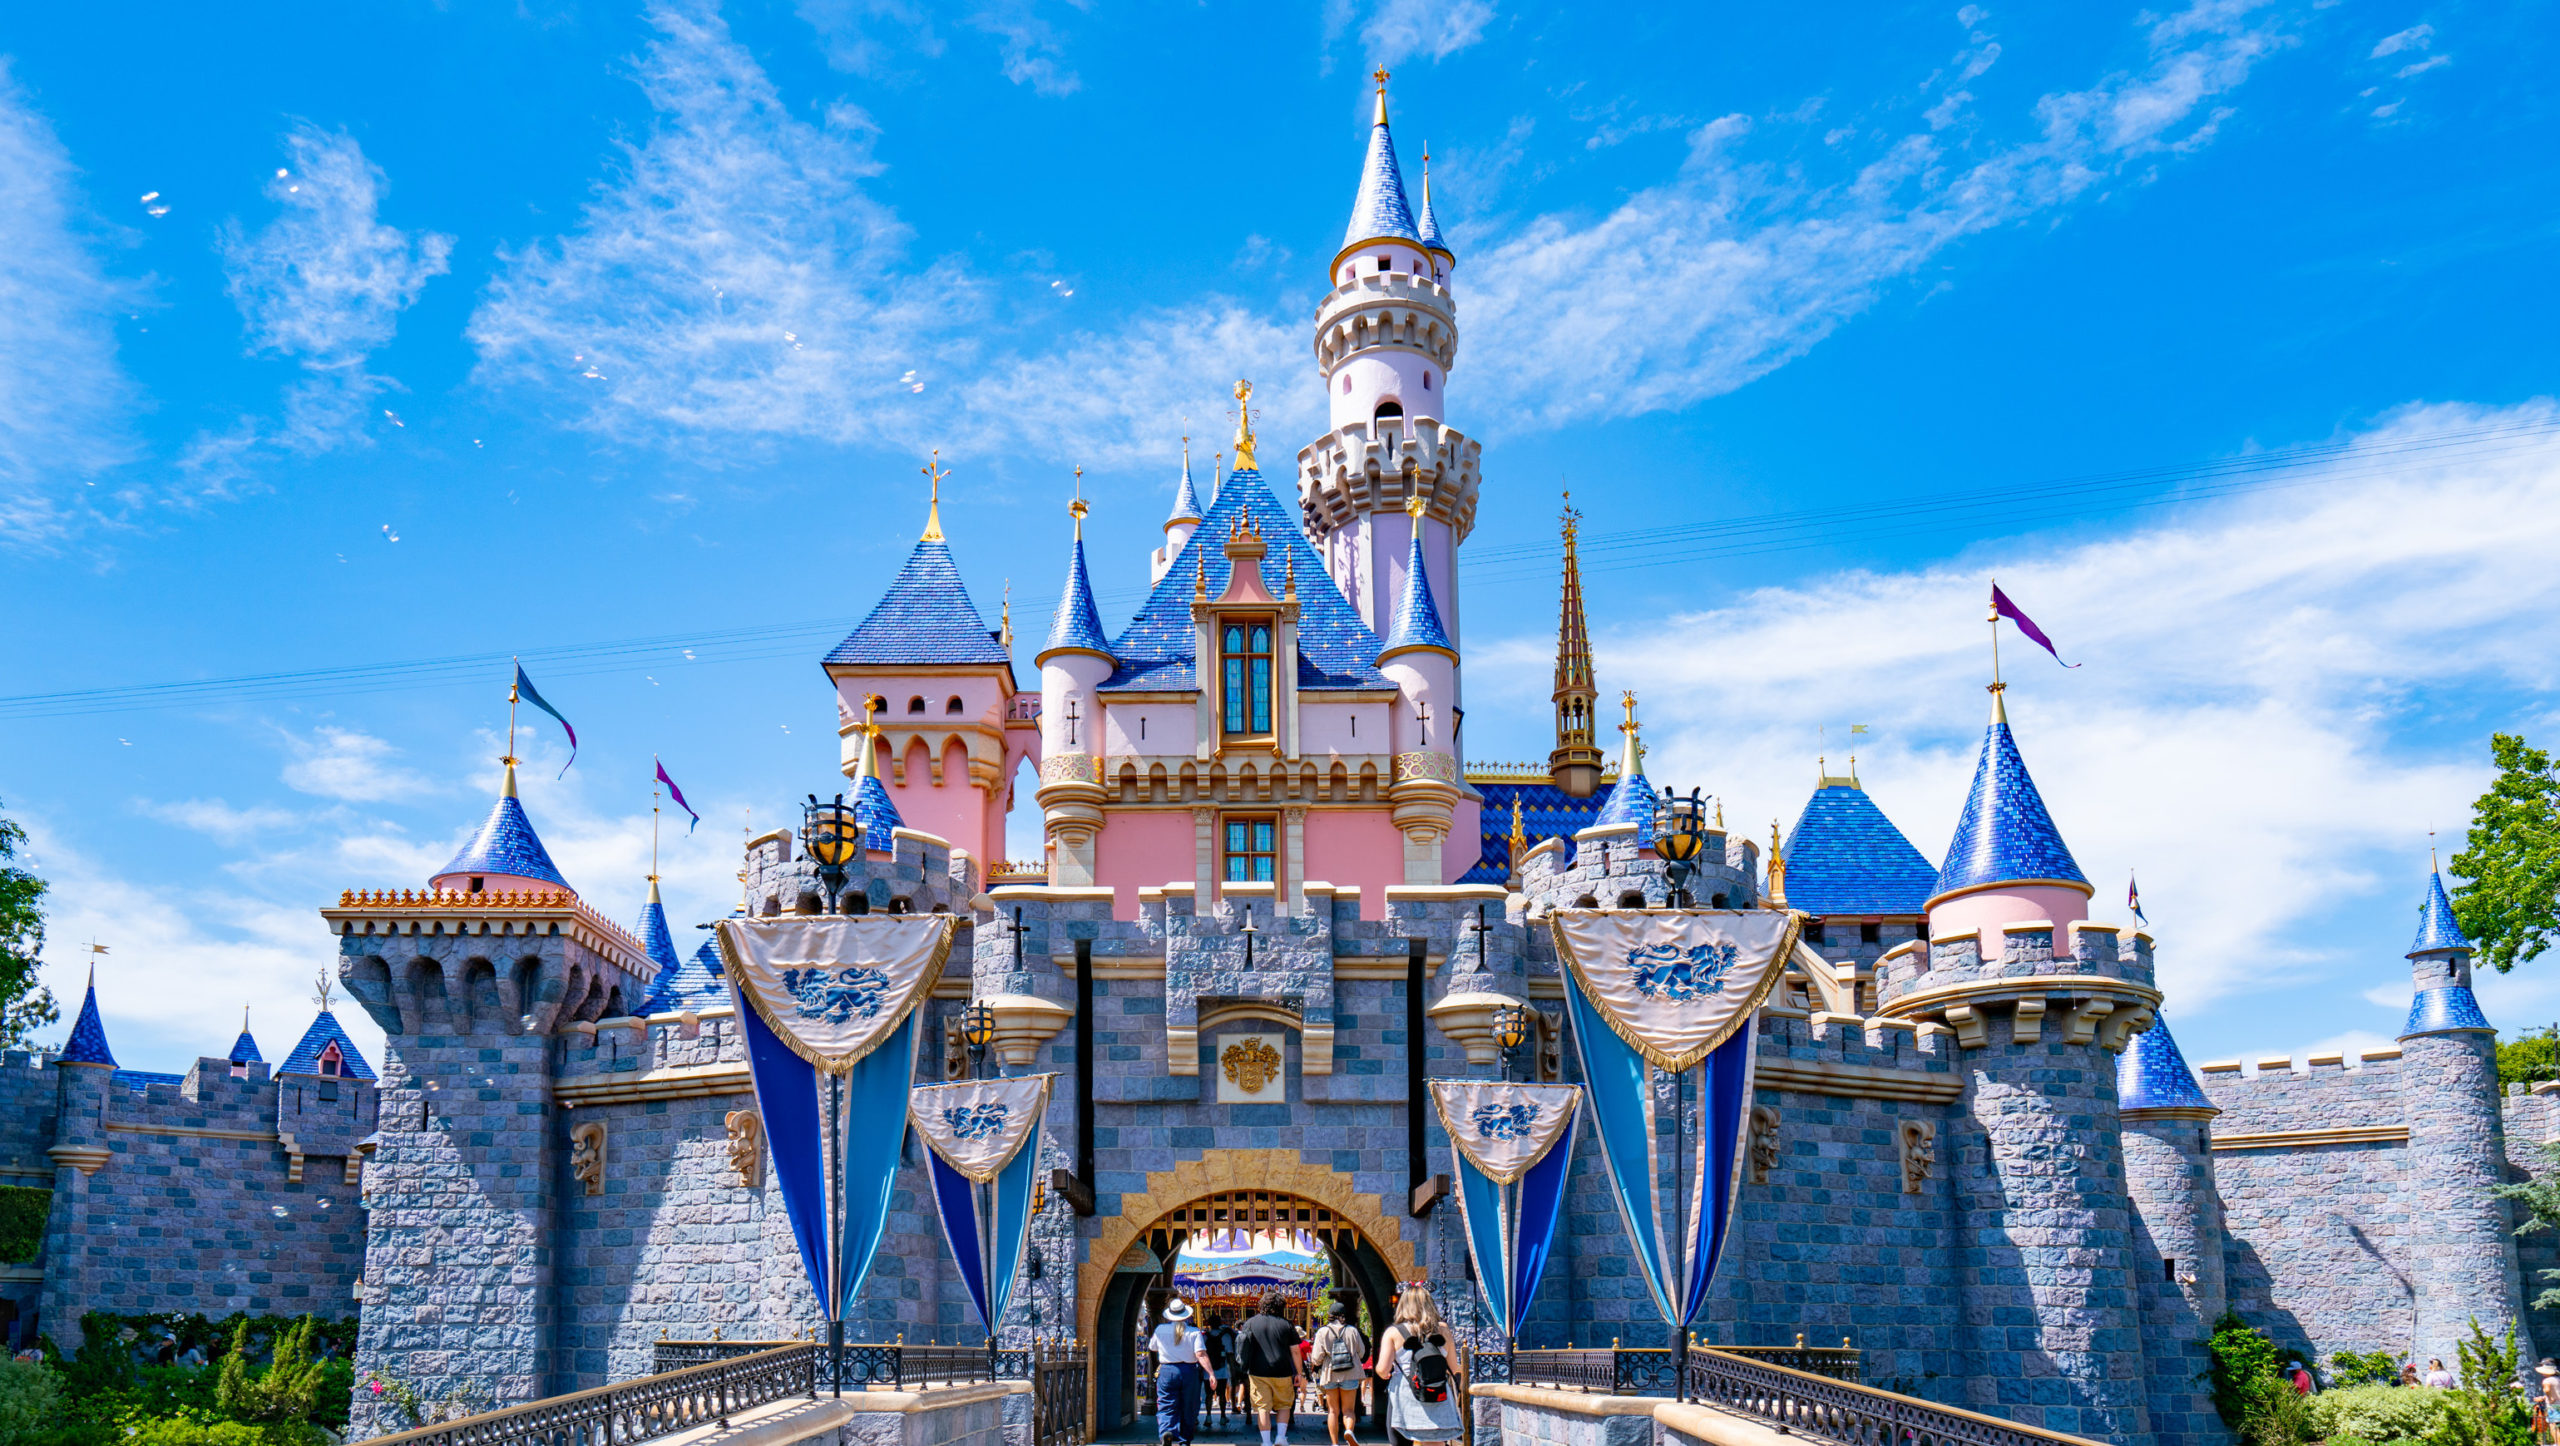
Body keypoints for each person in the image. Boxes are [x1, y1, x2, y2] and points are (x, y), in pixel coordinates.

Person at [1373, 1284, 1465, 1445]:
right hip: (1437, 1393)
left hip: (1406, 1394)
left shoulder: (1394, 1332)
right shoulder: (1443, 1330)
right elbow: (1453, 1368)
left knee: (1401, 1439)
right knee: (1435, 1442)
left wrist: (1387, 1373)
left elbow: (1382, 1369)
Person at [1236, 1292, 1305, 1446]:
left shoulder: (1251, 1323)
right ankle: (1281, 1437)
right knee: (1284, 1405)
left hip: (1257, 1371)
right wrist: (1299, 1373)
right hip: (1283, 1371)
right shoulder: (1287, 1324)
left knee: (1262, 1407)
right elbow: (1295, 1351)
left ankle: (1266, 1442)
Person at [1150, 1298, 1208, 1446]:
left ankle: (1167, 1431)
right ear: (1186, 1315)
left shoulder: (1160, 1330)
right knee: (1189, 1405)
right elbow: (1200, 1354)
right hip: (1189, 1370)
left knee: (1166, 1403)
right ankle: (1184, 1438)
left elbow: (1153, 1347)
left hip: (1167, 1370)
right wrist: (1211, 1373)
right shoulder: (1194, 1332)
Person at [1311, 1303, 1369, 1446]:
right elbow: (1362, 1353)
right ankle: (1349, 1431)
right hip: (1350, 1373)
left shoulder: (1323, 1332)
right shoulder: (1352, 1331)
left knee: (1332, 1411)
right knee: (1348, 1410)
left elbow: (1316, 1358)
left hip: (1330, 1373)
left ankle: (1335, 1443)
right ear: (1344, 1316)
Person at [1202, 1314, 1234, 1428]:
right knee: (1222, 1395)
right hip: (1222, 1370)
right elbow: (1230, 1353)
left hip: (1208, 1371)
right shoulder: (1225, 1336)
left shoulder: (1204, 1336)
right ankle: (1222, 1416)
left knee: (1209, 1394)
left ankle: (1208, 1416)